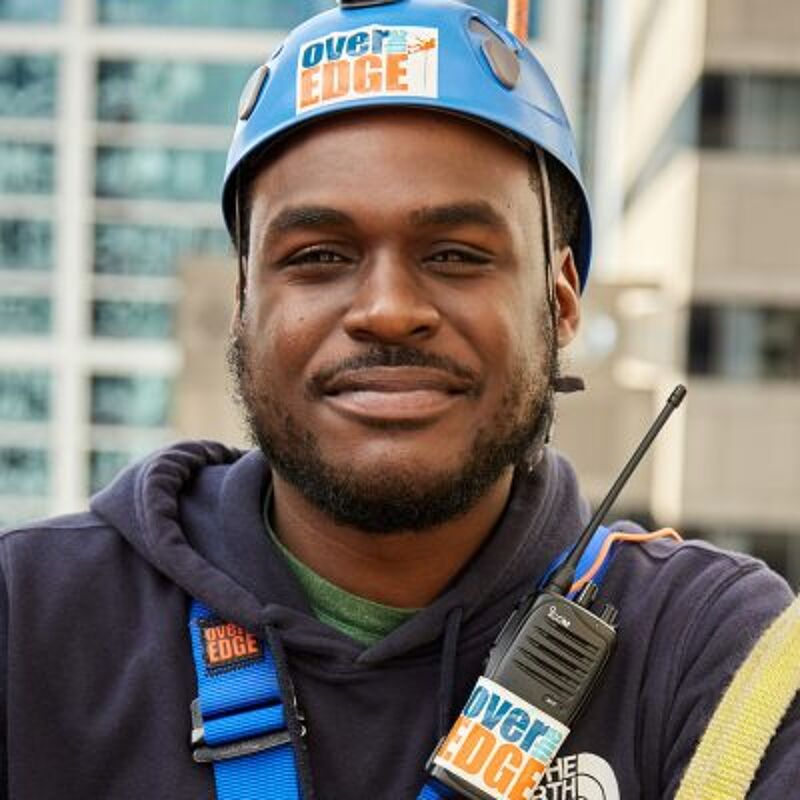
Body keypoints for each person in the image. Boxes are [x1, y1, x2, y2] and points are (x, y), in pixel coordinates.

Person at [0, 1, 797, 798]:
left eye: (455, 254)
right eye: (319, 256)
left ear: (559, 302)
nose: (386, 309)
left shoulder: (720, 655)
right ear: (244, 301)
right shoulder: (29, 620)